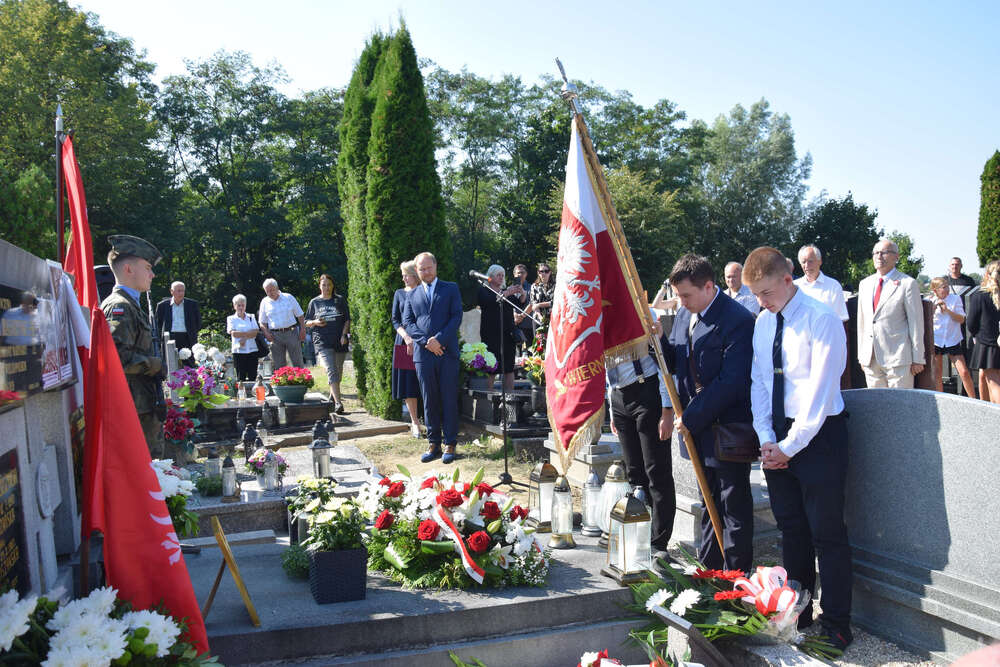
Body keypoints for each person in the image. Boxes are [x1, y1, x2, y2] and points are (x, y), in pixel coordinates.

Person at [742, 246, 853, 650]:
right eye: (756, 295)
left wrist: (790, 445)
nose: (761, 302)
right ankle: (798, 614)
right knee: (792, 530)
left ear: (788, 279)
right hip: (778, 436)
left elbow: (821, 393)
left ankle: (837, 623)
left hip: (819, 434)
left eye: (767, 293)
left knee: (827, 534)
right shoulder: (763, 322)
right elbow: (759, 383)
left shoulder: (822, 319)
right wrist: (766, 437)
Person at [665, 254, 755, 571]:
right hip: (699, 430)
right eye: (678, 295)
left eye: (686, 295)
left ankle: (735, 578)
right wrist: (654, 339)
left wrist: (689, 417)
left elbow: (732, 382)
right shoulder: (683, 314)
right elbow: (675, 361)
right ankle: (710, 572)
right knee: (708, 501)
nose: (681, 301)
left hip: (726, 429)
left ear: (708, 286)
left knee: (733, 506)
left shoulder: (737, 320)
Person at [606, 309, 675, 562]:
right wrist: (612, 408)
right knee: (635, 473)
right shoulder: (602, 315)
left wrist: (667, 410)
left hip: (647, 392)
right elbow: (607, 367)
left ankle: (659, 542)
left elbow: (665, 364)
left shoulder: (645, 312)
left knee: (656, 470)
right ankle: (640, 531)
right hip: (620, 397)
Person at [100, 235, 168, 461]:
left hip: (142, 404)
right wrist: (155, 364)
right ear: (128, 269)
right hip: (132, 409)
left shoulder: (131, 305)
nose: (152, 274)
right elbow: (116, 358)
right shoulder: (119, 306)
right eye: (147, 268)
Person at [403, 252, 463, 464]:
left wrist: (439, 340)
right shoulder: (411, 294)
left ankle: (450, 443)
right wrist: (427, 342)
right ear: (417, 271)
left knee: (448, 397)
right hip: (423, 354)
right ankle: (433, 442)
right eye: (421, 269)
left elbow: (456, 316)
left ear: (435, 266)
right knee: (429, 399)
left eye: (428, 268)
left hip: (447, 353)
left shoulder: (451, 288)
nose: (425, 272)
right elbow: (408, 322)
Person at [857, 239, 925, 388]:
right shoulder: (865, 284)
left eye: (884, 253)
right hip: (871, 359)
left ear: (896, 257)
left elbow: (916, 323)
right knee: (876, 407)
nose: (879, 256)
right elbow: (862, 322)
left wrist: (918, 358)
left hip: (898, 358)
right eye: (876, 253)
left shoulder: (907, 283)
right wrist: (862, 355)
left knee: (900, 408)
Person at [305, 274, 351, 414]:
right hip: (322, 340)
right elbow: (306, 322)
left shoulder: (339, 300)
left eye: (329, 285)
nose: (326, 288)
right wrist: (315, 322)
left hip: (339, 340)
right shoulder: (314, 302)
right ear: (320, 286)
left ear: (333, 286)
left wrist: (344, 335)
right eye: (324, 285)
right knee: (331, 370)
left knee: (338, 371)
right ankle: (338, 403)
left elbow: (347, 320)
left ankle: (332, 397)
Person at [929, 277, 976, 397]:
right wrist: (934, 308)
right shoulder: (929, 300)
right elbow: (925, 321)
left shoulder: (955, 299)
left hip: (952, 339)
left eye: (947, 286)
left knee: (964, 372)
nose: (947, 289)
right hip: (937, 340)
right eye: (943, 287)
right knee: (938, 374)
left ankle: (974, 400)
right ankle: (941, 400)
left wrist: (948, 311)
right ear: (935, 290)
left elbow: (961, 319)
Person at [392, 261, 423, 438]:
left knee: (425, 380)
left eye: (406, 274)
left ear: (415, 275)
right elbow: (395, 320)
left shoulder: (423, 291)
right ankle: (415, 422)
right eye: (402, 274)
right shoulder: (399, 294)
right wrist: (406, 336)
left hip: (423, 341)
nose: (403, 277)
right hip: (404, 341)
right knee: (408, 382)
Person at [478, 264, 520, 391]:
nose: (501, 278)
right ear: (490, 276)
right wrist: (506, 293)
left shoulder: (506, 290)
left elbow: (520, 303)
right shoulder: (484, 290)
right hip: (491, 334)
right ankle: (489, 399)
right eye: (498, 275)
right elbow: (490, 302)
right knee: (491, 367)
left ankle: (510, 400)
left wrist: (521, 293)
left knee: (509, 367)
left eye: (503, 275)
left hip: (508, 334)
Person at [967, 261, 1000, 404]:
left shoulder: (980, 296)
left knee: (994, 385)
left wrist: (976, 335)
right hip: (994, 342)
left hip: (987, 344)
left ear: (987, 275)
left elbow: (971, 323)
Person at [258, 278, 305, 369]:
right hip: (275, 336)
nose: (270, 293)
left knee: (297, 362)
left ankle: (301, 382)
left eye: (272, 290)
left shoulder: (288, 297)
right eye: (267, 291)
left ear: (277, 288)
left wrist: (303, 329)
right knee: (279, 365)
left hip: (292, 332)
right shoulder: (264, 302)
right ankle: (282, 383)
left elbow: (300, 314)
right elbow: (262, 322)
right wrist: (266, 333)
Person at [794, 245, 849, 322]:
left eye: (810, 261)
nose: (807, 265)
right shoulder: (794, 287)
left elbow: (840, 318)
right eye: (803, 262)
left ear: (820, 261)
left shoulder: (833, 286)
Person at [154, 281, 202, 365]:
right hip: (170, 337)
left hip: (188, 337)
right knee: (171, 363)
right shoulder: (162, 305)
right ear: (171, 291)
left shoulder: (192, 304)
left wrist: (193, 332)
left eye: (183, 291)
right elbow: (158, 324)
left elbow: (198, 322)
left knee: (189, 364)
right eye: (178, 291)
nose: (181, 293)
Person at [227, 294, 261, 382]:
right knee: (240, 377)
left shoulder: (251, 317)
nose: (241, 307)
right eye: (238, 305)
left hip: (252, 350)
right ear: (234, 306)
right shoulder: (231, 318)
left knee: (253, 376)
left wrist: (244, 338)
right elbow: (234, 333)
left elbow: (255, 332)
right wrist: (248, 334)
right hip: (238, 350)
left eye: (243, 305)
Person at [511, 264, 533, 354]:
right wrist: (514, 314)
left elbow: (532, 303)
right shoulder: (510, 288)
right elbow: (508, 304)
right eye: (518, 273)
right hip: (514, 324)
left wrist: (522, 316)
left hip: (528, 325)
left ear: (526, 274)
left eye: (522, 273)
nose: (520, 275)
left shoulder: (532, 287)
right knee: (516, 354)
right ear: (514, 274)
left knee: (530, 352)